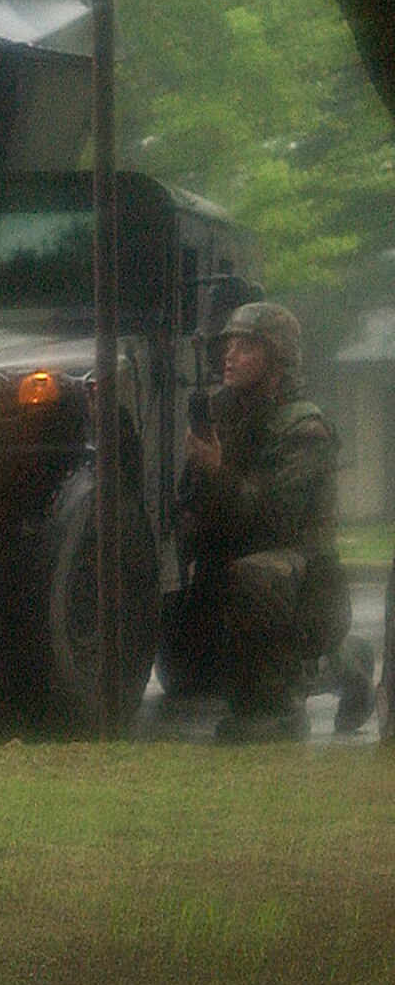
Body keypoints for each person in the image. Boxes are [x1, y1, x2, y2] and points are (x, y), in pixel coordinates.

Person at [178, 300, 374, 743]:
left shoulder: (304, 427)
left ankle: (310, 682)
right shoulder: (226, 414)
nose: (230, 355)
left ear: (277, 358)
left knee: (254, 578)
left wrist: (217, 472)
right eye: (229, 344)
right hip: (241, 555)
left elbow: (274, 519)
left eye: (246, 347)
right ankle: (292, 675)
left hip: (303, 573)